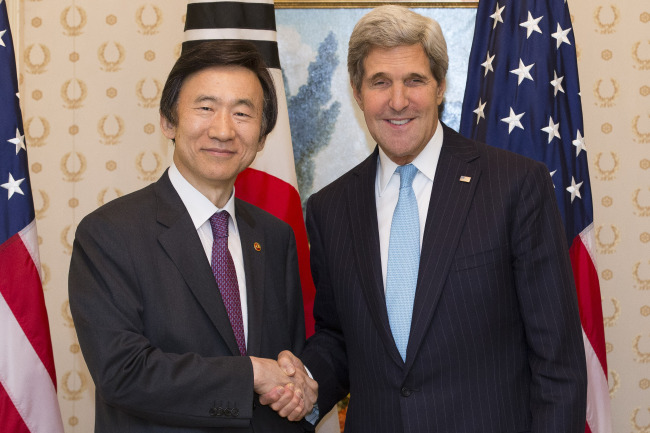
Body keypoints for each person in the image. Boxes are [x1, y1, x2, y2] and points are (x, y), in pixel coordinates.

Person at [271, 5, 587, 433]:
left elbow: (558, 363)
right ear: (357, 90)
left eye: (414, 81)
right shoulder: (330, 207)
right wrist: (307, 382)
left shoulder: (514, 185)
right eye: (380, 82)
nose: (397, 101)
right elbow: (340, 337)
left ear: (439, 86)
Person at [68, 40, 316, 432]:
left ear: (263, 137)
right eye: (205, 108)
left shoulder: (275, 236)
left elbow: (287, 361)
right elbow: (123, 372)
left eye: (242, 112)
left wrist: (297, 385)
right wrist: (249, 374)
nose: (223, 129)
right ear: (169, 121)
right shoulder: (109, 234)